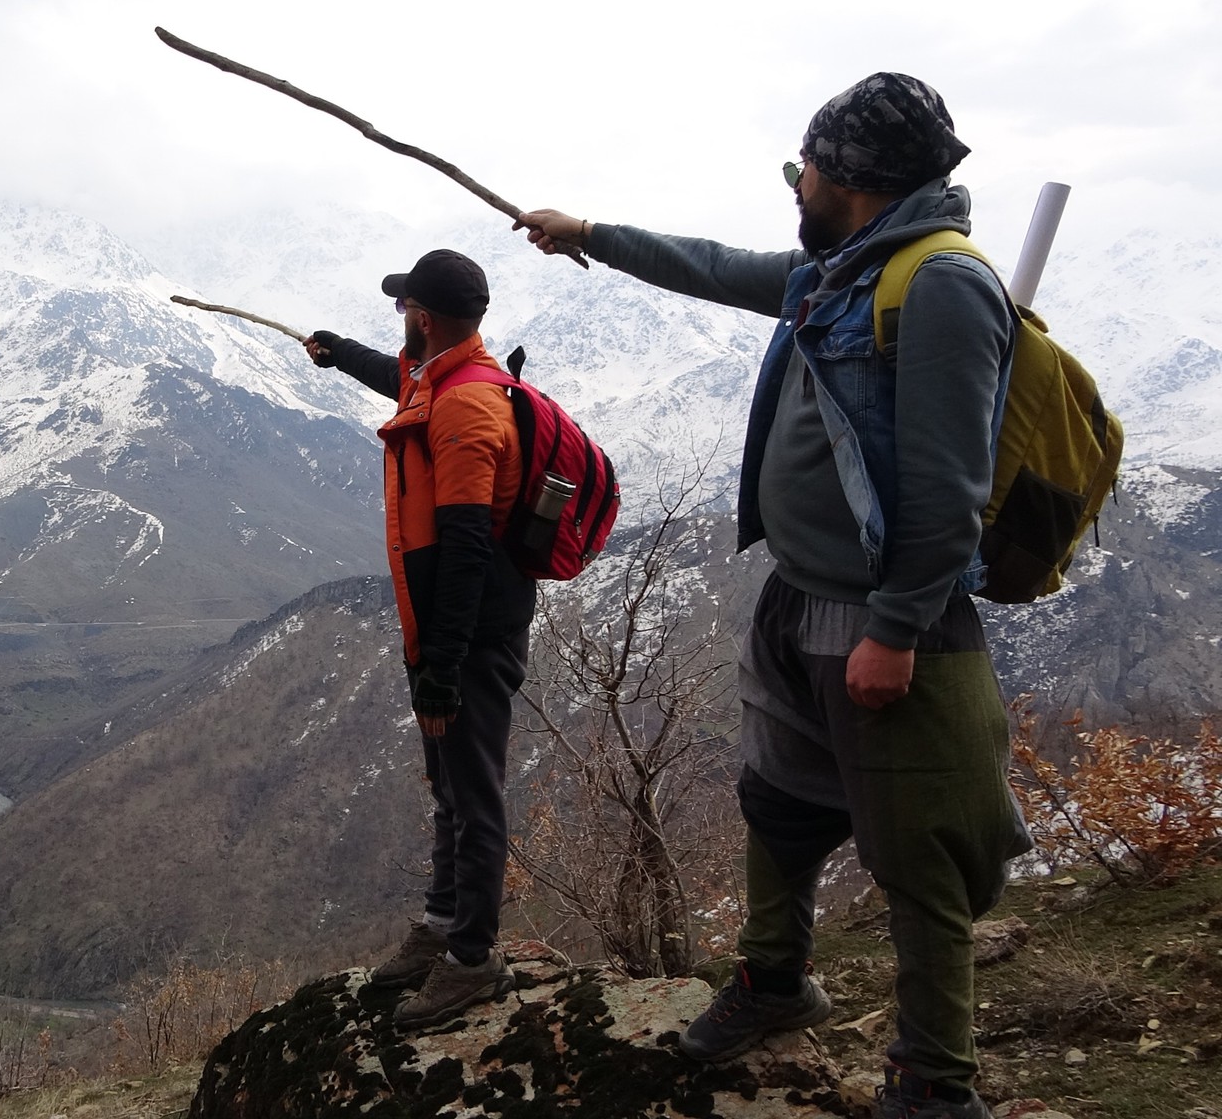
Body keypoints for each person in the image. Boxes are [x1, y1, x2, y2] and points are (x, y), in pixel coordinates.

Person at [513, 73, 1034, 1118]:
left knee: (919, 855)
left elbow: (949, 490)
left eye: (804, 167)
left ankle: (934, 1081)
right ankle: (774, 979)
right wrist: (591, 234)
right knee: (779, 803)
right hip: (795, 597)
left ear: (849, 175)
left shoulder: (938, 286)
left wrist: (895, 629)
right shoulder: (840, 269)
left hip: (883, 621)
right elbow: (714, 267)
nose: (794, 184)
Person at [301, 249, 536, 1031]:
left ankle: (472, 959)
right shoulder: (442, 375)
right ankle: (442, 924)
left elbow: (467, 546)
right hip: (442, 626)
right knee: (449, 785)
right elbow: (398, 377)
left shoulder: (467, 408)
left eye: (405, 307)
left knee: (474, 792)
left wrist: (442, 665)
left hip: (469, 630)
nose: (399, 315)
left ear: (424, 318)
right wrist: (341, 354)